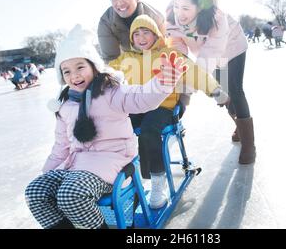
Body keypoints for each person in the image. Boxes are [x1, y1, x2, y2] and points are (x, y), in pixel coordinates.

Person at [25, 24, 187, 229]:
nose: (74, 76)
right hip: (75, 166)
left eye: (80, 67)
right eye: (66, 71)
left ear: (93, 66)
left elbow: (141, 98)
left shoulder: (111, 92)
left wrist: (163, 82)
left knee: (70, 194)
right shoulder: (65, 105)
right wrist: (48, 174)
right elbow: (61, 146)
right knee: (36, 192)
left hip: (113, 163)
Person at [108, 15, 229, 208]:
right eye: (136, 34)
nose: (141, 37)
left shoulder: (169, 54)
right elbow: (104, 74)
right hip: (137, 106)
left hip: (163, 107)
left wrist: (215, 90)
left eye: (146, 32)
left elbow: (194, 72)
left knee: (148, 131)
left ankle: (157, 182)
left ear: (156, 34)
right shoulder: (126, 59)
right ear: (131, 39)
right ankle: (124, 178)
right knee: (116, 130)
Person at [165, 0, 256, 165]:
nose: (179, 13)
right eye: (177, 6)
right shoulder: (172, 19)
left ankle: (249, 145)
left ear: (199, 6)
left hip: (231, 46)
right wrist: (180, 71)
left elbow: (209, 56)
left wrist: (186, 93)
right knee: (223, 95)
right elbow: (177, 49)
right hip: (209, 54)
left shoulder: (216, 17)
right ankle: (238, 124)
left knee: (235, 90)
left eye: (186, 8)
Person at [97, 0, 165, 63]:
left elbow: (166, 49)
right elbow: (111, 60)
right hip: (128, 63)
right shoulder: (106, 22)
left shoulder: (154, 17)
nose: (120, 3)